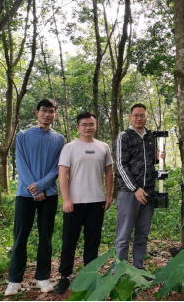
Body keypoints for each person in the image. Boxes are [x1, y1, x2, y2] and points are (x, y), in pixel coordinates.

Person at [5, 99, 65, 296]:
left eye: (51, 111)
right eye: (44, 110)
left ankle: (43, 277)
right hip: (25, 194)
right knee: (20, 236)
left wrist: (40, 186)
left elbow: (57, 167)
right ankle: (14, 280)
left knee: (45, 237)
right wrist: (34, 189)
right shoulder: (23, 135)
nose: (47, 114)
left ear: (55, 114)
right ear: (37, 112)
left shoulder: (59, 139)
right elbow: (20, 163)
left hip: (49, 194)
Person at [55, 112, 113, 294]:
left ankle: (89, 275)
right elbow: (62, 174)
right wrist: (66, 198)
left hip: (96, 201)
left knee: (93, 241)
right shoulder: (70, 148)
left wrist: (108, 195)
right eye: (84, 124)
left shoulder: (103, 147)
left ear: (96, 126)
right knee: (69, 240)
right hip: (75, 202)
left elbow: (109, 172)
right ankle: (64, 276)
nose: (88, 127)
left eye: (91, 124)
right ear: (78, 127)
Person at [114, 103, 166, 271]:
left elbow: (149, 162)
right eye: (136, 115)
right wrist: (135, 189)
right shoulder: (124, 136)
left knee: (142, 235)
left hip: (148, 192)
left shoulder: (151, 136)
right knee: (123, 236)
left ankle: (138, 269)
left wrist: (157, 158)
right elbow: (120, 165)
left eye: (142, 115)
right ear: (130, 117)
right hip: (129, 193)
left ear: (146, 117)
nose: (139, 118)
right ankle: (120, 272)